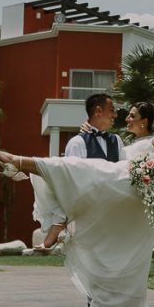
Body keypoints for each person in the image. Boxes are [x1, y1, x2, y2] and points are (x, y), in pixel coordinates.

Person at [0, 101, 154, 307]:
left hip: (136, 208)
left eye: (131, 116)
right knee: (103, 264)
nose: (125, 118)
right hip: (115, 204)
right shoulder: (121, 144)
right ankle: (24, 165)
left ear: (145, 120)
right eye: (123, 114)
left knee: (132, 270)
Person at [35, 92, 124, 250]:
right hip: (87, 215)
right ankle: (57, 227)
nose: (115, 115)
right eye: (112, 110)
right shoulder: (77, 143)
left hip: (112, 212)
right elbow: (71, 181)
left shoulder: (117, 141)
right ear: (98, 111)